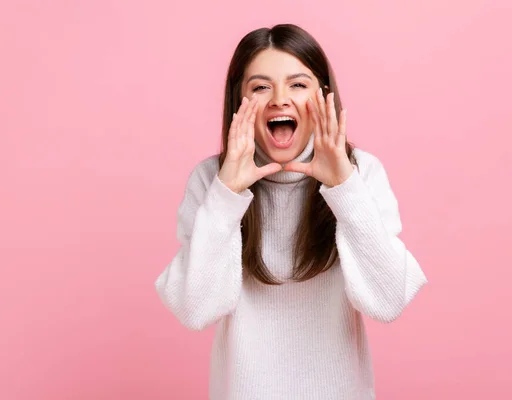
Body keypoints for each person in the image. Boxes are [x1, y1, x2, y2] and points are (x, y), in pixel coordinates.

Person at [155, 23, 427, 400]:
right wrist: (227, 195)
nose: (280, 99)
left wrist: (344, 189)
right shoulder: (211, 181)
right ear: (239, 102)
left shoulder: (361, 172)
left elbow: (389, 300)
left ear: (324, 97)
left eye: (298, 84)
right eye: (261, 87)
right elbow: (196, 310)